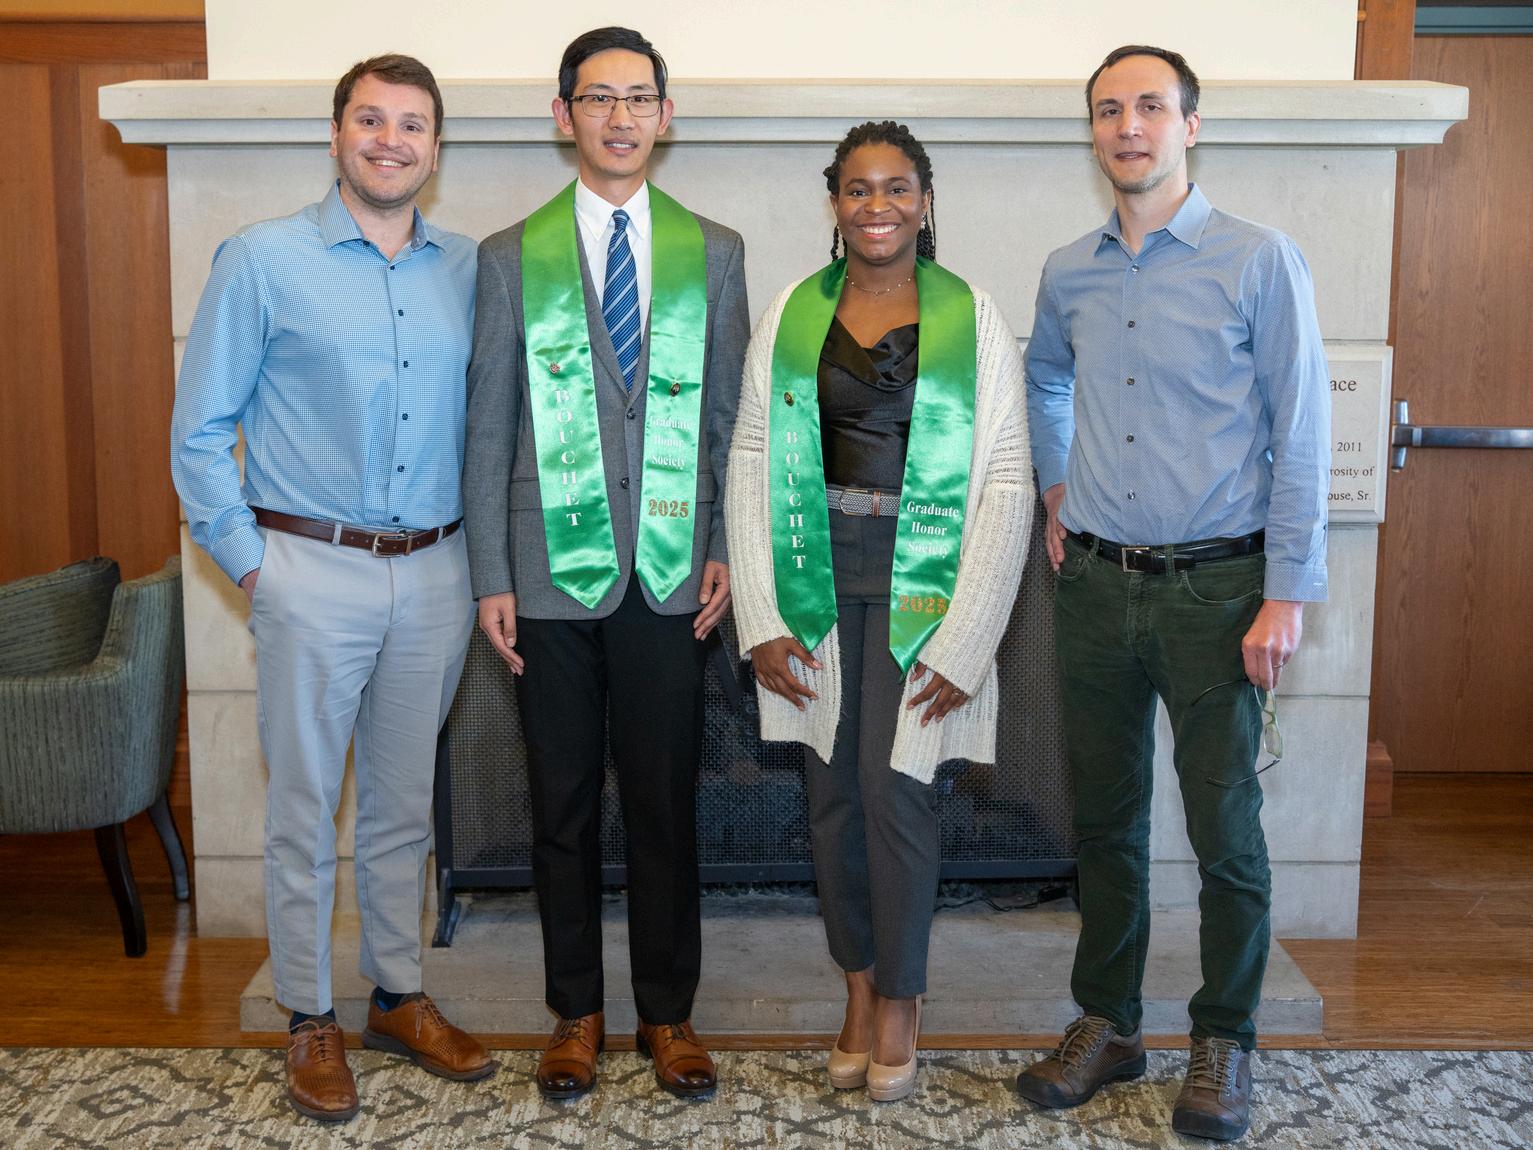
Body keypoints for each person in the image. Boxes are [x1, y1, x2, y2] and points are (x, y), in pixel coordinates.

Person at [1016, 45, 1331, 1142]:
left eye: (1150, 106)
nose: (1128, 126)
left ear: (1191, 125)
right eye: (1109, 110)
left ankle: (1225, 1035)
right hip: (1096, 588)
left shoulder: (1258, 259)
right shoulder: (1068, 270)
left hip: (1220, 592)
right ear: (1093, 131)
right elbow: (1044, 379)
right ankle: (1109, 1024)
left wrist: (1287, 592)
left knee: (1224, 830)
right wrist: (1057, 484)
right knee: (1104, 822)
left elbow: (1303, 429)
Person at [170, 55, 493, 1123]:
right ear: (337, 134)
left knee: (404, 806)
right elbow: (199, 432)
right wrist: (254, 565)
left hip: (437, 573)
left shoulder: (468, 270)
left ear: (435, 148)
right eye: (370, 119)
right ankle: (309, 1015)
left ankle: (397, 996)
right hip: (309, 567)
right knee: (306, 807)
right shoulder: (262, 260)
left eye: (412, 124)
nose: (390, 140)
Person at [462, 26, 749, 1101]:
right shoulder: (509, 256)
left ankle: (667, 1013)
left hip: (671, 571)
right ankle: (574, 1011)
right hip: (546, 573)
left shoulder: (713, 251)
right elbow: (488, 426)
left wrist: (724, 545)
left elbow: (729, 420)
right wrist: (490, 572)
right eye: (597, 98)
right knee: (561, 804)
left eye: (638, 98)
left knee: (666, 802)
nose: (619, 117)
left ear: (665, 116)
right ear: (563, 114)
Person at [725, 121, 1032, 1102]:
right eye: (858, 189)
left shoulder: (971, 314)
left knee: (898, 793)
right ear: (834, 204)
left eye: (897, 187)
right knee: (832, 800)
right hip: (816, 569)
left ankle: (902, 997)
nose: (877, 206)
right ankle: (856, 987)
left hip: (924, 580)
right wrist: (762, 615)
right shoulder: (792, 313)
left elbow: (1008, 478)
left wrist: (967, 635)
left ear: (925, 200)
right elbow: (749, 457)